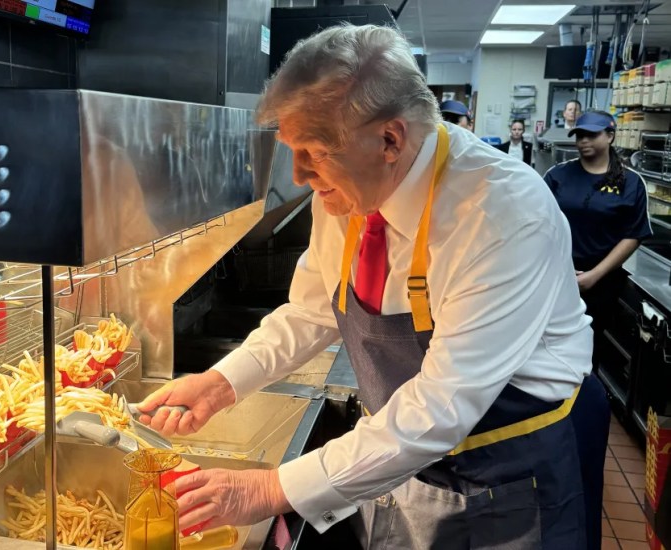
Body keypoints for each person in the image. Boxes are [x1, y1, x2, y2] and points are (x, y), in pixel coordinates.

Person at [137, 24, 608, 548]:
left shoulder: (501, 213)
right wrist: (221, 383)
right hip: (401, 458)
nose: (298, 175)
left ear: (390, 139)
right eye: (291, 150)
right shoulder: (348, 192)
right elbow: (310, 312)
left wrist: (272, 488)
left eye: (313, 151)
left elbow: (442, 407)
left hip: (509, 471)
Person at [544, 110, 651, 549]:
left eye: (591, 135)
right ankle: (551, 422)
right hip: (555, 279)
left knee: (587, 359)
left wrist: (593, 276)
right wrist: (556, 267)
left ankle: (580, 429)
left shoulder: (630, 183)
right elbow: (538, 220)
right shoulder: (558, 176)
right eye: (579, 136)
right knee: (552, 350)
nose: (583, 142)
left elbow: (633, 234)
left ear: (610, 135)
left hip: (601, 284)